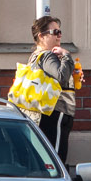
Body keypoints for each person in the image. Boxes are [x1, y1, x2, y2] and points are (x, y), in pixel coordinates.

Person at [28, 14, 79, 161]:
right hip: (56, 112)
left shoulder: (35, 56)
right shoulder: (47, 56)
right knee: (56, 158)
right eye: (55, 32)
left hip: (46, 113)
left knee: (49, 156)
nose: (59, 35)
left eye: (60, 31)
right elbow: (61, 77)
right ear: (41, 36)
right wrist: (67, 56)